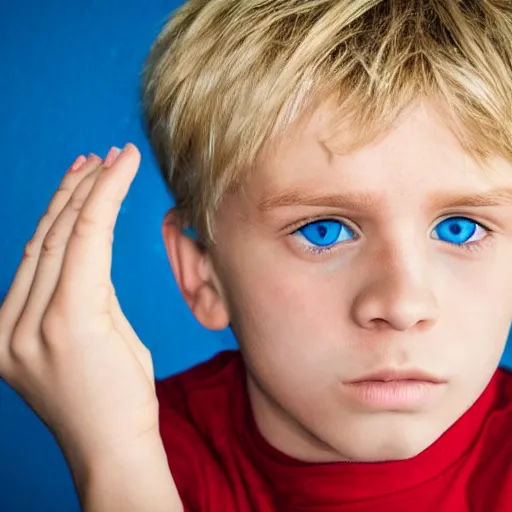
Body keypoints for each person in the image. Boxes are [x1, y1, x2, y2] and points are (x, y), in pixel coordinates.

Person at [1, 0, 512, 510]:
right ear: (202, 272)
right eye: (324, 230)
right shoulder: (136, 446)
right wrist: (114, 458)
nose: (402, 306)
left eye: (460, 228)